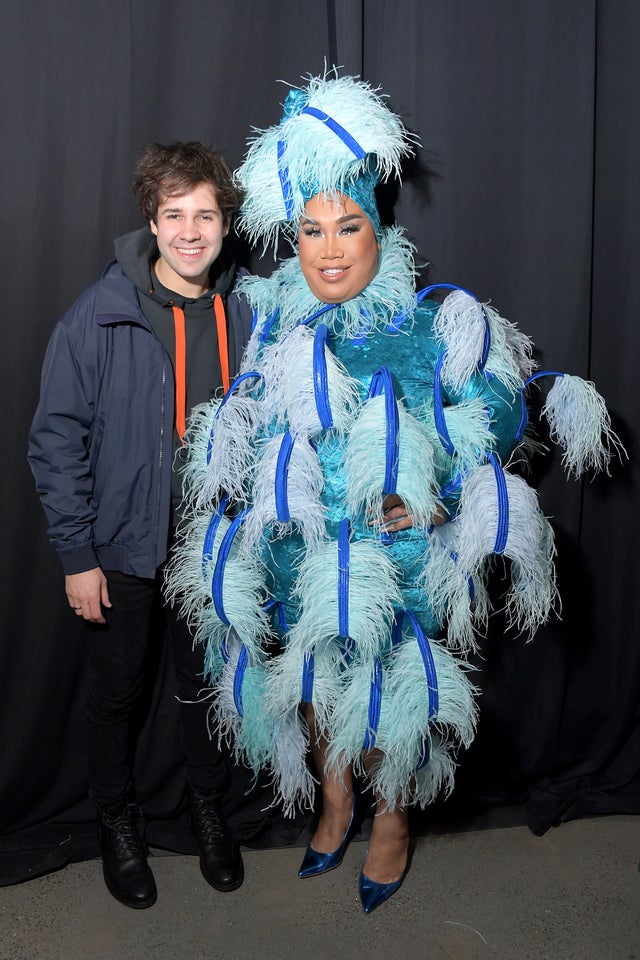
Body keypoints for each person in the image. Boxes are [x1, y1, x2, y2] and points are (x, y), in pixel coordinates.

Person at [167, 74, 618, 913]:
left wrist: (440, 492)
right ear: (291, 238)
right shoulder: (272, 322)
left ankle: (390, 819)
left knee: (384, 694)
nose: (330, 249)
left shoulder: (421, 323)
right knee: (313, 686)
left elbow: (491, 410)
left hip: (392, 553)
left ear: (378, 232)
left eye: (348, 229)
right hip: (305, 549)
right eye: (310, 231)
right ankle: (334, 804)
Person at [28, 141, 253, 909]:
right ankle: (116, 827)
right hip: (120, 546)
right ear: (151, 223)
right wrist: (76, 554)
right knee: (116, 695)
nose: (190, 231)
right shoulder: (102, 314)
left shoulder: (251, 310)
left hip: (213, 546)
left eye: (205, 214)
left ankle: (206, 813)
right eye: (174, 215)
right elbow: (55, 438)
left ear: (226, 222)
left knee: (204, 690)